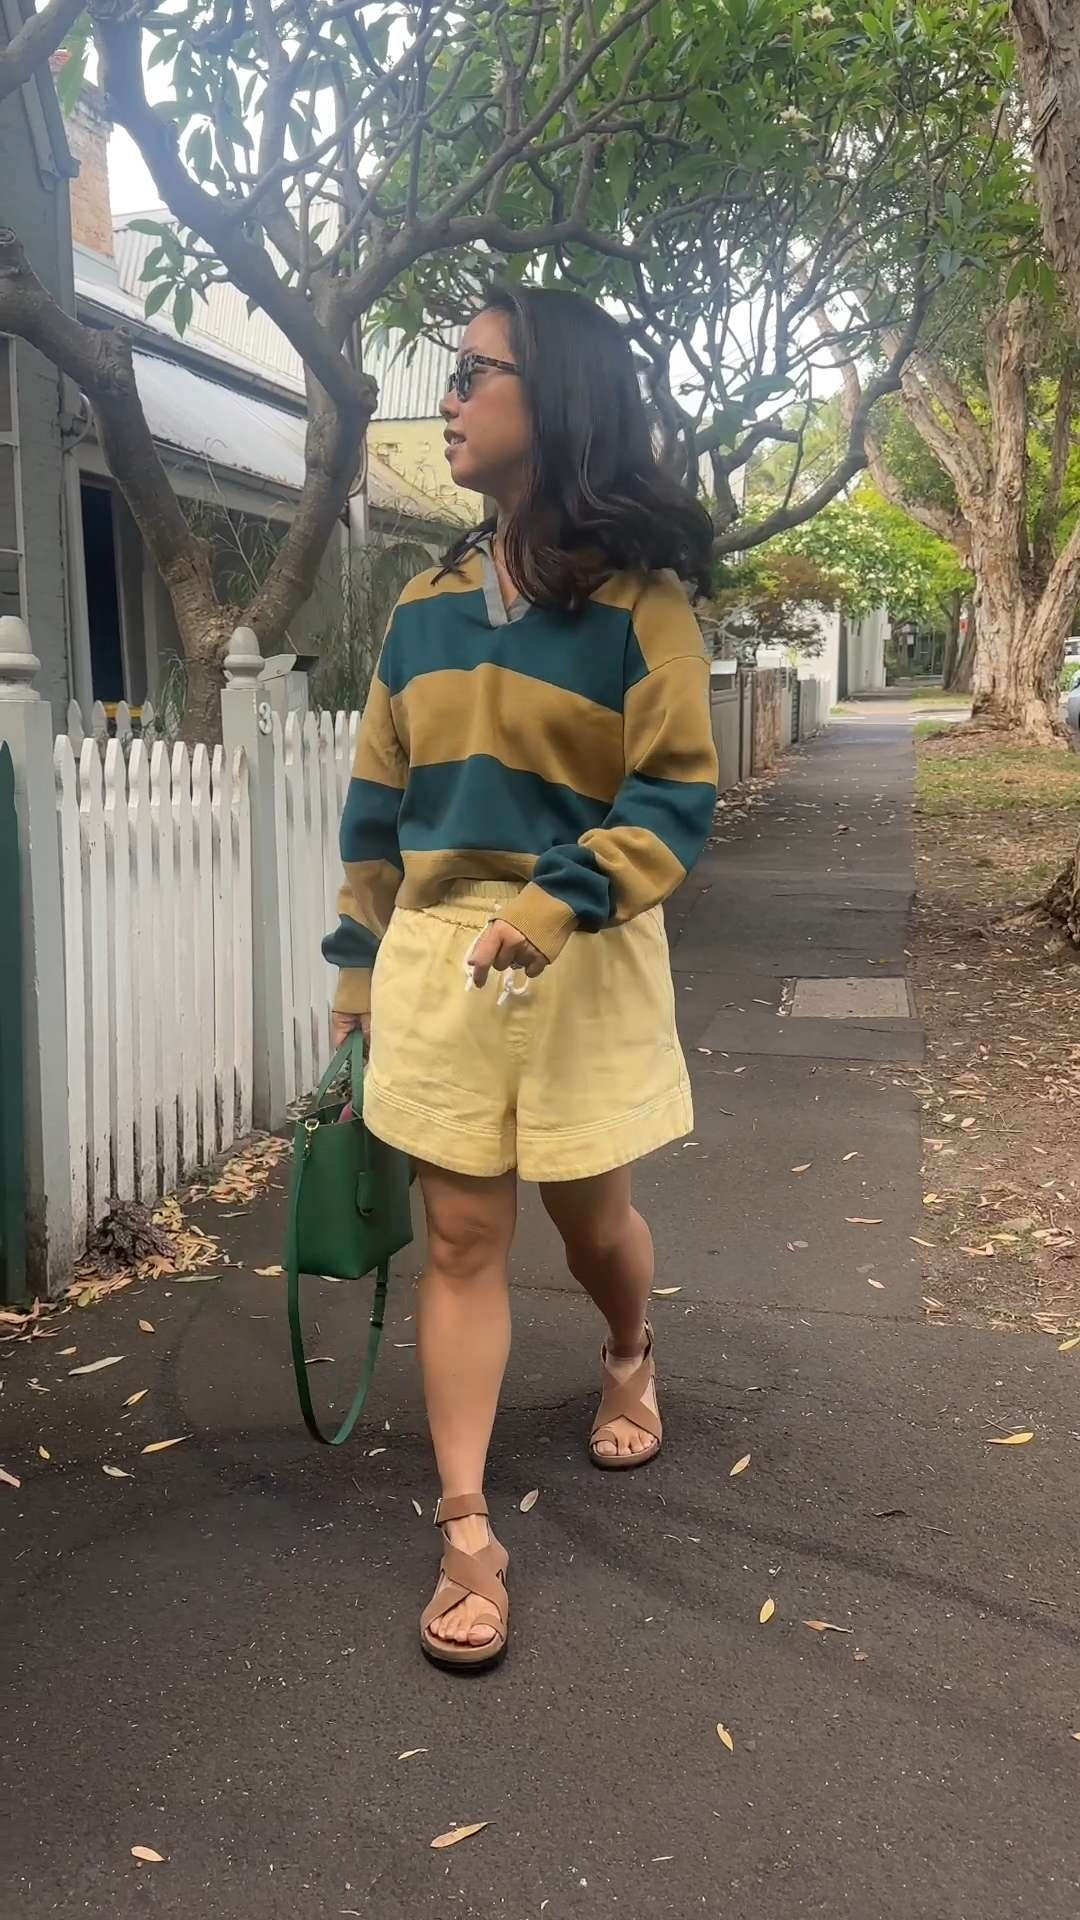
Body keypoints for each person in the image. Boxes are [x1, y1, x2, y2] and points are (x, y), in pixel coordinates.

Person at [323, 285, 718, 1671]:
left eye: (471, 371)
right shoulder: (419, 605)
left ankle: (627, 1347)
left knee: (591, 1215)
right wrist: (357, 976)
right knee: (461, 1239)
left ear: (550, 401)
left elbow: (674, 798)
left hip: (583, 955)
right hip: (439, 961)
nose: (447, 395)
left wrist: (559, 902)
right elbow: (377, 810)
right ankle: (467, 1523)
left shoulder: (639, 605)